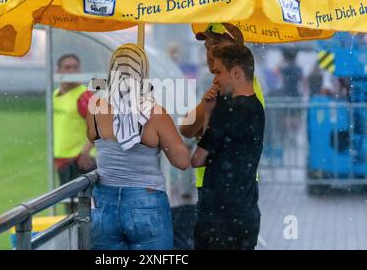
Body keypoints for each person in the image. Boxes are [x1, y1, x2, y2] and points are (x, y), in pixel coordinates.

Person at [86, 43, 190, 250]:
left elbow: (92, 137)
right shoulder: (154, 113)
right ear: (143, 72)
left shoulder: (96, 107)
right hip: (146, 201)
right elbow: (182, 161)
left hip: (104, 203)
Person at [180, 23, 265, 206]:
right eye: (207, 47)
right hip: (233, 183)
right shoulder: (243, 83)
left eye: (217, 45)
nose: (210, 53)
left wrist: (202, 129)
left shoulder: (229, 88)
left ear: (236, 49)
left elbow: (187, 128)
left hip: (224, 185)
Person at [191, 44, 265, 250]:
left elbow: (197, 160)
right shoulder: (257, 106)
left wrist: (207, 114)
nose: (215, 79)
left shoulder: (227, 109)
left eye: (218, 72)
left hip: (218, 217)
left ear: (236, 72)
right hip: (247, 213)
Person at [53, 54, 96, 212]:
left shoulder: (84, 96)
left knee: (81, 211)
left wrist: (85, 152)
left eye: (75, 67)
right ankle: (73, 237)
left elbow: (98, 126)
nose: (72, 71)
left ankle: (84, 237)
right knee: (69, 209)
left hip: (79, 162)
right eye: (67, 67)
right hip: (62, 161)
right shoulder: (55, 94)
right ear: (58, 70)